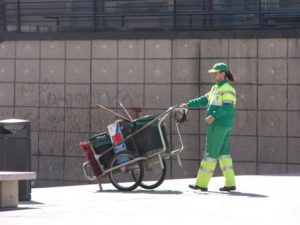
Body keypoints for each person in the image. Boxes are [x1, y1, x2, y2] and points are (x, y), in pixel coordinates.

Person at [182, 62, 237, 192]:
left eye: (216, 73)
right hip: (224, 125)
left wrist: (214, 116)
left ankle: (201, 183)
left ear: (223, 74)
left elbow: (228, 107)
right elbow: (203, 100)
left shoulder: (227, 89)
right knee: (224, 154)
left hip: (218, 125)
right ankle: (230, 183)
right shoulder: (215, 88)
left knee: (210, 153)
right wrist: (188, 104)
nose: (213, 75)